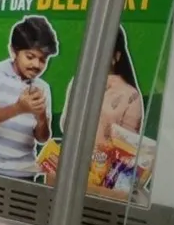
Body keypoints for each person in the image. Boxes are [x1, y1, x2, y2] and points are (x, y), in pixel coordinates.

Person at [46, 28, 143, 181]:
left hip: (107, 178)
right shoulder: (78, 81)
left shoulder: (131, 95)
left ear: (116, 56)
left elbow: (127, 147)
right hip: (70, 169)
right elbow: (66, 125)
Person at [0, 16, 59, 181]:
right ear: (13, 51)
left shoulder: (43, 88)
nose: (37, 65)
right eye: (30, 57)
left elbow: (42, 138)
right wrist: (19, 108)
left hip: (23, 174)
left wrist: (40, 117)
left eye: (43, 60)